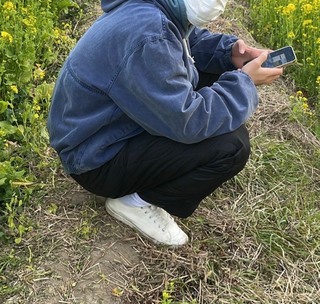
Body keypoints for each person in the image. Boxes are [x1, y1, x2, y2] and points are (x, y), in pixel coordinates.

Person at [47, 0, 283, 246]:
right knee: (231, 145)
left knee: (216, 75)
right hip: (95, 158)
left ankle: (146, 179)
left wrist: (228, 53)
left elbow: (186, 43)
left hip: (99, 129)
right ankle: (135, 202)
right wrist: (243, 83)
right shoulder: (149, 34)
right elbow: (190, 122)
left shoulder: (152, 9)